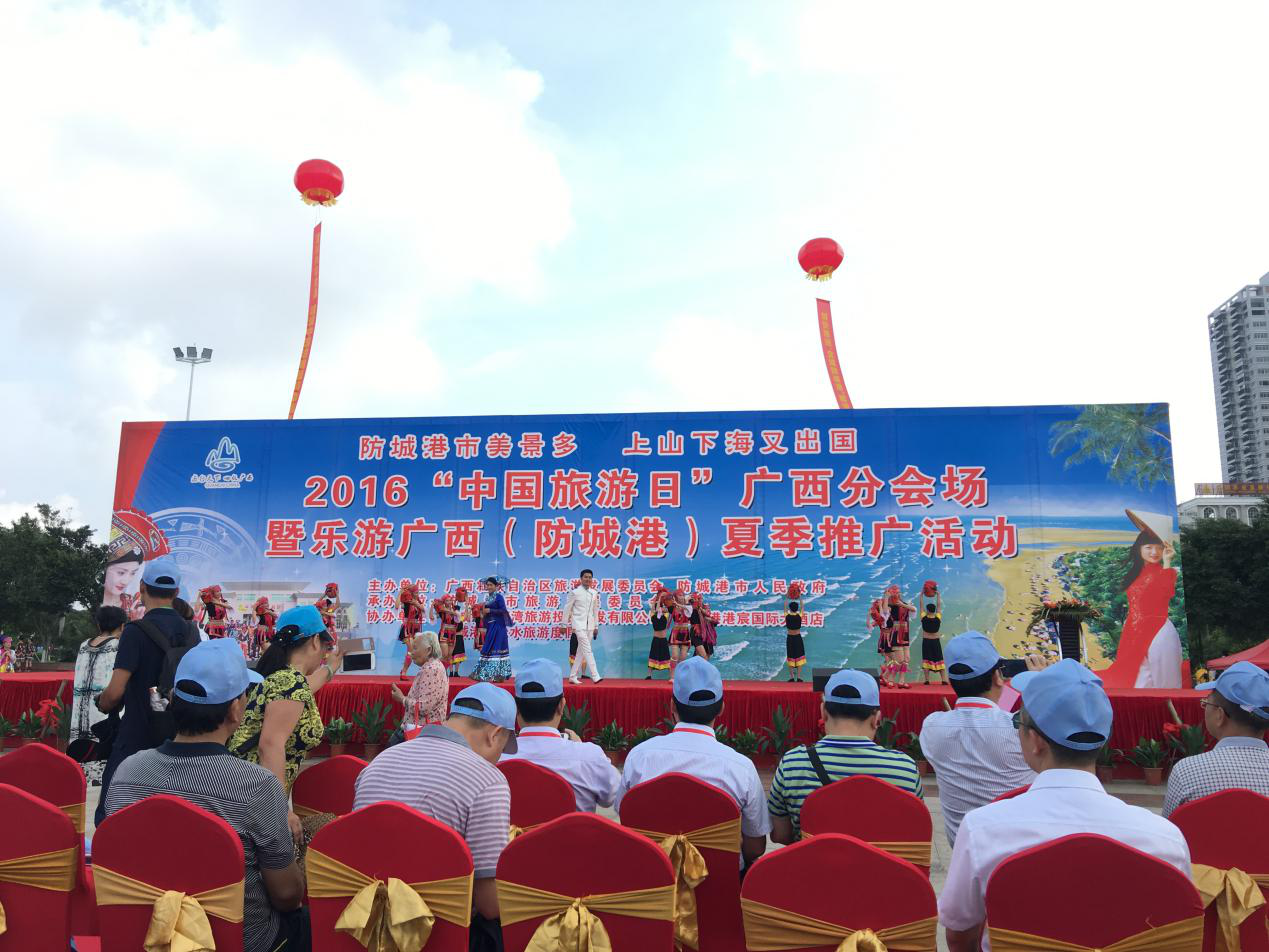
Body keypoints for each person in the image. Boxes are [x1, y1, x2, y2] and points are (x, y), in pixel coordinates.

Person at [939, 660, 1191, 951]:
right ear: (1103, 740)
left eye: (1018, 723)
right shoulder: (1164, 839)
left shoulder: (983, 830)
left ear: (1035, 741)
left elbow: (959, 934)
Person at [102, 639, 309, 952]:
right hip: (241, 943)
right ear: (235, 709)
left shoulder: (127, 773)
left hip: (146, 938)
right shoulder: (256, 786)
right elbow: (286, 895)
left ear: (173, 700)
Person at [354, 683, 515, 945]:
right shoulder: (487, 780)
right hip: (436, 935)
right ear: (494, 735)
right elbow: (489, 904)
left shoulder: (378, 762)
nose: (498, 757)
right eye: (503, 747)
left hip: (364, 923)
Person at [616, 657, 770, 868]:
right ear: (722, 708)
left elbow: (626, 818)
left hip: (651, 880)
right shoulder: (741, 768)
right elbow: (756, 847)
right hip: (722, 885)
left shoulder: (639, 757)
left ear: (672, 706)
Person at [95, 557, 199, 824]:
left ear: (142, 587)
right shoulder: (192, 632)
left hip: (137, 738)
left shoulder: (134, 632)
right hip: (179, 739)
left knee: (114, 816)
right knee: (173, 820)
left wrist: (103, 702)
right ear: (176, 592)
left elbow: (115, 692)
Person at [768, 669, 922, 843]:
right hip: (883, 862)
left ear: (823, 712)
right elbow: (915, 832)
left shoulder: (793, 765)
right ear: (876, 719)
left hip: (817, 861)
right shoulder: (906, 769)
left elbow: (780, 835)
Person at [229, 604, 339, 843]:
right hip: (256, 800)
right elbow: (270, 745)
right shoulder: (290, 682)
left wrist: (331, 668)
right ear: (314, 642)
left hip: (248, 790)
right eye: (325, 645)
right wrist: (280, 809)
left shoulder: (283, 678)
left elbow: (303, 689)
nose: (324, 653)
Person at [918, 632, 1036, 847]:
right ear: (998, 677)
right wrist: (1038, 684)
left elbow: (984, 722)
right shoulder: (1018, 729)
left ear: (951, 680)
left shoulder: (932, 727)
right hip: (1018, 849)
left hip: (965, 850)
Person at [501, 658, 620, 812]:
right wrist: (581, 749)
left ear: (516, 708)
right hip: (574, 830)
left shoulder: (496, 759)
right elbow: (617, 798)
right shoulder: (589, 757)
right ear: (561, 706)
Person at [1163, 660, 1269, 817]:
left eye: (1206, 703)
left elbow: (1170, 828)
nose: (1205, 707)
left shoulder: (1187, 772)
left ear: (1220, 715)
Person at [1099, 509, 1182, 688]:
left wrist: (1167, 561)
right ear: (1139, 549)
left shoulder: (1165, 572)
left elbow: (1166, 593)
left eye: (1159, 548)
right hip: (1135, 631)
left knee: (1164, 683)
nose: (1155, 552)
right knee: (1138, 682)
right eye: (1149, 547)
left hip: (1158, 630)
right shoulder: (1138, 573)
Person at [70, 605, 125, 784]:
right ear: (122, 626)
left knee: (80, 765)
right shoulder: (119, 646)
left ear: (99, 625)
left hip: (80, 717)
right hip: (105, 716)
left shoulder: (83, 645)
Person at [388, 631, 449, 742]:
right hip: (426, 732)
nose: (411, 653)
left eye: (415, 648)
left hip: (421, 733)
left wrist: (402, 699)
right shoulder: (435, 666)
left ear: (428, 650)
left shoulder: (430, 670)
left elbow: (423, 707)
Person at [564, 569, 602, 685]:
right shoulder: (574, 592)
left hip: (590, 626)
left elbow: (595, 611)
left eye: (590, 577)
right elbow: (567, 609)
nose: (588, 579)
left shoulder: (594, 593)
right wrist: (563, 624)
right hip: (578, 625)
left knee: (580, 652)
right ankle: (595, 675)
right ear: (581, 579)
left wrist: (596, 626)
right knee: (587, 650)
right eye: (585, 577)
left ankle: (572, 676)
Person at [472, 577, 513, 682]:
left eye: (491, 585)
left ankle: (497, 675)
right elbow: (486, 614)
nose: (489, 587)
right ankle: (491, 674)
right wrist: (482, 613)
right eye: (487, 585)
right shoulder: (488, 598)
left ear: (496, 586)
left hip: (498, 627)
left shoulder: (499, 597)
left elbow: (503, 610)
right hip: (491, 626)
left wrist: (490, 610)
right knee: (489, 648)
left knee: (496, 649)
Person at [917, 580, 945, 685]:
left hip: (927, 641)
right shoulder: (938, 617)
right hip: (935, 641)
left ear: (927, 610)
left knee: (926, 660)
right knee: (939, 659)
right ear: (934, 610)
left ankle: (927, 680)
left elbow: (921, 606)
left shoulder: (923, 617)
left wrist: (921, 595)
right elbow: (939, 606)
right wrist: (938, 595)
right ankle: (944, 680)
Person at [398, 581, 424, 677]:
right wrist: (400, 592)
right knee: (410, 649)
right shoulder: (406, 602)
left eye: (418, 592)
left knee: (414, 652)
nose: (417, 594)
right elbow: (396, 606)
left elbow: (423, 610)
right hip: (407, 628)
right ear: (411, 593)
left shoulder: (418, 602)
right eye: (416, 592)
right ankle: (404, 672)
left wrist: (416, 604)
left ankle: (404, 671)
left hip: (416, 629)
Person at [645, 589, 673, 680]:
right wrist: (658, 597)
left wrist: (662, 598)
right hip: (656, 639)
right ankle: (649, 675)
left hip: (663, 639)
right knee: (653, 656)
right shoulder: (653, 614)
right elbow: (655, 609)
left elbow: (661, 609)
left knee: (667, 657)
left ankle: (671, 676)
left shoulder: (666, 613)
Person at [783, 583, 807, 682]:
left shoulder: (787, 616)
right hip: (797, 637)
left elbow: (785, 606)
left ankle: (792, 677)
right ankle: (799, 677)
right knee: (799, 657)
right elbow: (802, 606)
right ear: (797, 608)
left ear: (790, 608)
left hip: (790, 638)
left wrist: (787, 596)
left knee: (791, 657)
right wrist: (799, 596)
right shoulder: (799, 616)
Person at [253, 596, 276, 661]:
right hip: (262, 633)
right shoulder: (258, 612)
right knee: (269, 650)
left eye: (267, 603)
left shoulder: (270, 611)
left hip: (270, 633)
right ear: (261, 604)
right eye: (265, 603)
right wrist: (254, 610)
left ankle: (263, 662)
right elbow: (255, 621)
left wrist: (269, 612)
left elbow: (276, 617)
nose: (267, 604)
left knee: (266, 652)